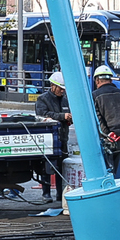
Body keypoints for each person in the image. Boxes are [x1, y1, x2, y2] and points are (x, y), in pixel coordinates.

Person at [92, 65, 120, 180]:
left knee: (104, 168)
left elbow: (97, 118)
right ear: (111, 79)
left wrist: (108, 134)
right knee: (114, 167)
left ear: (97, 80)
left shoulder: (95, 96)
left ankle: (106, 191)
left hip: (104, 138)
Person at [35, 71, 72, 201]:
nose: (62, 91)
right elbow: (42, 115)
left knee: (62, 167)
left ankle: (59, 194)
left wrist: (69, 119)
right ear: (53, 86)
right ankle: (46, 194)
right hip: (48, 139)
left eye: (63, 89)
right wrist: (62, 116)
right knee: (47, 166)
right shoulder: (43, 99)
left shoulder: (65, 100)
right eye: (60, 89)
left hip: (62, 138)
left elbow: (68, 114)